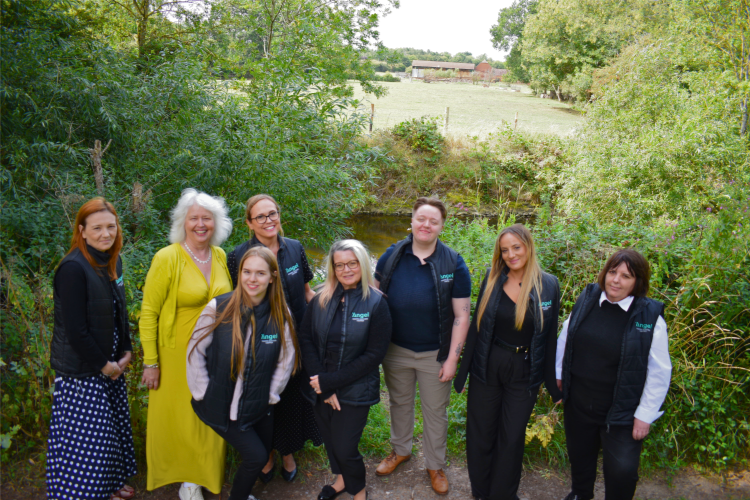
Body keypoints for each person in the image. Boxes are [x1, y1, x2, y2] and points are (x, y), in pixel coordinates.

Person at [454, 224, 562, 500]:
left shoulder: (548, 285)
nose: (511, 254)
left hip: (524, 371)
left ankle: (502, 495)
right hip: (489, 365)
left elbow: (550, 338)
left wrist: (552, 385)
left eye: (516, 247)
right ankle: (481, 493)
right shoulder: (492, 278)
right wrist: (463, 373)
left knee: (512, 439)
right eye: (505, 250)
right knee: (480, 435)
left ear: (528, 246)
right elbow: (478, 329)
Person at [139, 188, 234, 500]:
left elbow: (231, 303)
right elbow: (149, 312)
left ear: (216, 223)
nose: (200, 224)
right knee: (183, 416)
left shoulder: (220, 256)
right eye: (194, 218)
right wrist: (150, 362)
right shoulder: (167, 258)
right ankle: (187, 481)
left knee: (210, 411)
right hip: (176, 353)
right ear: (184, 222)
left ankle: (207, 472)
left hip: (215, 351)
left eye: (207, 218)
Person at [373, 197, 472, 495]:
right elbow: (373, 299)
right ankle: (400, 451)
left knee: (435, 411)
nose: (426, 225)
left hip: (435, 353)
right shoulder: (391, 256)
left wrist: (453, 359)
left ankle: (435, 465)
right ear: (412, 221)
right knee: (400, 404)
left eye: (433, 221)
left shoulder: (452, 262)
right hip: (396, 350)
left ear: (442, 226)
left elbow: (462, 316)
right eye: (421, 219)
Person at [555, 249, 672, 500]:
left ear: (637, 282)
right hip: (580, 405)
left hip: (622, 414)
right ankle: (580, 494)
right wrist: (559, 377)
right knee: (580, 460)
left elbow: (659, 371)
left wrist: (645, 414)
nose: (616, 280)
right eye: (612, 272)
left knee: (622, 472)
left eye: (626, 276)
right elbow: (566, 337)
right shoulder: (588, 298)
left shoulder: (648, 317)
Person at [187, 246, 297, 500]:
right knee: (256, 457)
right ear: (239, 274)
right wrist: (203, 392)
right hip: (220, 405)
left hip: (260, 404)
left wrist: (271, 394)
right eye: (247, 272)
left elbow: (285, 360)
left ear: (272, 276)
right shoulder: (219, 306)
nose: (252, 279)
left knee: (261, 452)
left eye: (260, 273)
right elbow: (195, 352)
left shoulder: (281, 315)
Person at [226, 194, 321, 482]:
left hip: (298, 338)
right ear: (249, 223)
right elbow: (237, 301)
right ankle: (266, 454)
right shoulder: (238, 255)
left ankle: (288, 453)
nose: (269, 221)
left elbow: (307, 292)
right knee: (264, 399)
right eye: (261, 217)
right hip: (261, 340)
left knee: (291, 397)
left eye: (273, 214)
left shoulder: (294, 248)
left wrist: (332, 309)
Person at [47, 197, 137, 500]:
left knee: (111, 433)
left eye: (111, 226)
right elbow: (75, 330)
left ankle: (110, 484)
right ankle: (88, 492)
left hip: (110, 366)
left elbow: (118, 310)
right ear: (82, 231)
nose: (105, 234)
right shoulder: (72, 269)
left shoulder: (113, 260)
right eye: (97, 228)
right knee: (90, 442)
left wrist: (125, 350)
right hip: (84, 370)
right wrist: (104, 365)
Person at [297, 239, 392, 500]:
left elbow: (374, 355)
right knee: (331, 441)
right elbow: (305, 338)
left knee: (345, 446)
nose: (346, 270)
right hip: (321, 385)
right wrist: (321, 383)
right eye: (339, 265)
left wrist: (331, 382)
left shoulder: (376, 303)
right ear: (332, 268)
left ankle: (358, 491)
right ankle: (340, 481)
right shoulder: (320, 298)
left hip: (355, 388)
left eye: (352, 263)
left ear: (362, 264)